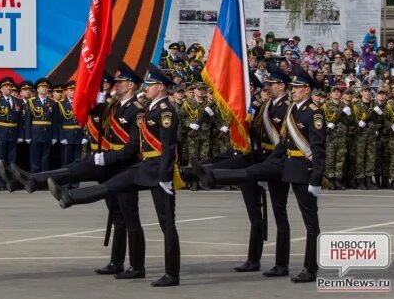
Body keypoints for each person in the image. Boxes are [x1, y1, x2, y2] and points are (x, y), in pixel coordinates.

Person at [51, 64, 183, 287]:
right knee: (112, 185)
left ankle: (172, 273)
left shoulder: (166, 112)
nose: (147, 88)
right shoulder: (150, 108)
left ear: (161, 88)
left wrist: (166, 178)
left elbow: (169, 147)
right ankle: (70, 197)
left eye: (150, 85)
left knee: (167, 224)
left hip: (159, 171)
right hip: (144, 166)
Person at [195, 65, 326, 283]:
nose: (293, 90)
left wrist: (317, 179)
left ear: (307, 90)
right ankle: (204, 173)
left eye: (296, 87)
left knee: (309, 223)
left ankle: (310, 268)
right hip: (280, 163)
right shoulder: (290, 109)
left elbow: (319, 149)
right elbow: (283, 144)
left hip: (302, 170)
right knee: (259, 189)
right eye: (292, 87)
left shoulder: (313, 112)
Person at [0, 77, 23, 190]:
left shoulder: (17, 101)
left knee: (12, 160)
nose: (8, 88)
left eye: (10, 87)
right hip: (1, 132)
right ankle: (0, 183)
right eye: (6, 87)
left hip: (13, 133)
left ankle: (11, 182)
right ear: (1, 89)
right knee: (0, 159)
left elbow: (20, 121)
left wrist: (20, 135)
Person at [24, 78, 56, 174]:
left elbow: (55, 121)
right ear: (37, 89)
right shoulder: (31, 102)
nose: (45, 89)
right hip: (35, 134)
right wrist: (28, 136)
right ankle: (34, 179)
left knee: (45, 159)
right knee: (35, 159)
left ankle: (44, 180)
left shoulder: (52, 102)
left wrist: (54, 136)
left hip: (47, 134)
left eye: (46, 87)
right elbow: (28, 121)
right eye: (42, 87)